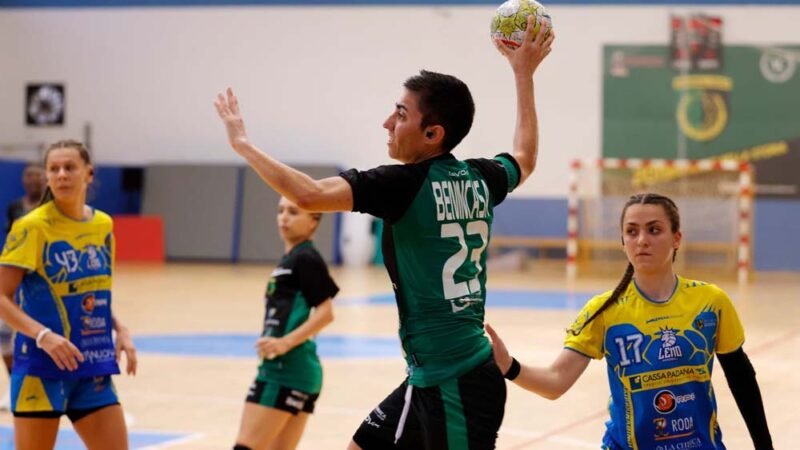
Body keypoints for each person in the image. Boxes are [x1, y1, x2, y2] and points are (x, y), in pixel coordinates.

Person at [215, 14, 554, 450]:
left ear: (432, 133)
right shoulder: (480, 177)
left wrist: (243, 145)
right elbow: (525, 157)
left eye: (400, 114)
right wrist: (523, 74)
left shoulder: (404, 185)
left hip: (457, 383)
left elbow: (308, 194)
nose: (387, 122)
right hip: (428, 376)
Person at [486, 192, 773, 450]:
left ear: (676, 239)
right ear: (623, 242)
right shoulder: (604, 310)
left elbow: (742, 380)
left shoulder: (710, 302)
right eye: (632, 231)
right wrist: (509, 366)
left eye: (654, 230)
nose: (642, 240)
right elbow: (556, 381)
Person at [0, 139, 137, 450]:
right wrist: (43, 336)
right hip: (41, 367)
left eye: (70, 167)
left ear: (89, 173)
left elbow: (94, 292)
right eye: (54, 169)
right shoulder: (32, 227)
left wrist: (120, 328)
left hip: (92, 365)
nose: (61, 174)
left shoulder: (103, 225)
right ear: (48, 177)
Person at [233, 196, 338, 450]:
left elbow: (326, 313)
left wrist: (284, 343)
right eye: (280, 211)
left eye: (293, 212)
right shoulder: (292, 259)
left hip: (285, 369)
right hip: (298, 371)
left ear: (313, 221)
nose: (283, 218)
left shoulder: (305, 258)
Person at [0, 162, 46, 409]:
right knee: (4, 334)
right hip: (14, 276)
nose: (33, 180)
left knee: (38, 334)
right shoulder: (15, 207)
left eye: (38, 176)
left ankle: (42, 388)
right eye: (29, 176)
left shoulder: (51, 208)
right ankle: (14, 386)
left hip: (41, 280)